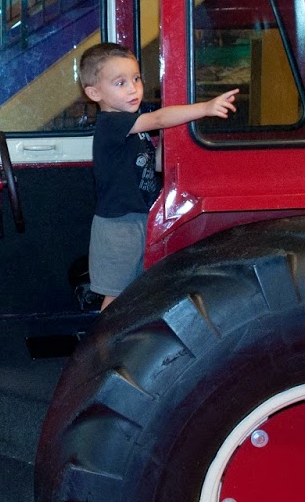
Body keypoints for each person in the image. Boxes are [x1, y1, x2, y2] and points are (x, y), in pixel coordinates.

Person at [78, 43, 237, 308]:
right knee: (116, 296)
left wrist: (167, 137)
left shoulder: (133, 124)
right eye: (120, 83)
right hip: (119, 226)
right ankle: (104, 347)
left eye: (136, 79)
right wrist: (205, 108)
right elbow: (159, 119)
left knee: (136, 292)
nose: (133, 89)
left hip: (142, 218)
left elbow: (159, 164)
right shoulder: (112, 123)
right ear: (94, 93)